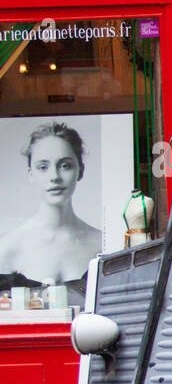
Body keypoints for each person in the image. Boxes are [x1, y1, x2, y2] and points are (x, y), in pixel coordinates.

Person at [0, 122, 100, 305]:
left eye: (65, 165)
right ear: (30, 174)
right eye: (43, 167)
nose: (54, 176)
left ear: (80, 170)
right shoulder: (6, 249)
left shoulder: (102, 245)